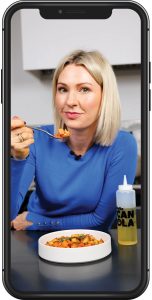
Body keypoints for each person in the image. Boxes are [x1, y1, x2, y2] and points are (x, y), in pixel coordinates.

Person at [11, 50, 137, 231]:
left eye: (84, 89)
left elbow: (100, 221)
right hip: (35, 241)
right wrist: (16, 159)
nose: (70, 101)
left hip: (88, 241)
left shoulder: (123, 145)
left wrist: (38, 221)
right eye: (63, 89)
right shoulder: (36, 139)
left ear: (105, 96)